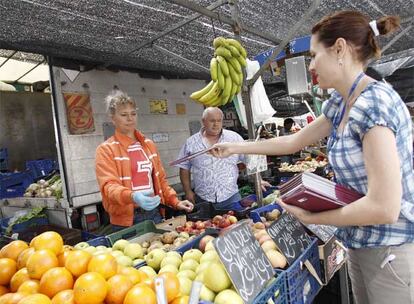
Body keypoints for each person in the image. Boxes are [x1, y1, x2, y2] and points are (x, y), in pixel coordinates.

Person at [211, 11, 414, 304]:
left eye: (315, 55)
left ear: (340, 49)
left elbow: (385, 208)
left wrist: (314, 217)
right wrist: (236, 148)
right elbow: (295, 141)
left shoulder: (374, 105)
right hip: (359, 243)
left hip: (390, 250)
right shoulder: (341, 102)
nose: (312, 64)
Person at [95, 90, 193, 230]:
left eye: (133, 114)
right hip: (126, 221)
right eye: (124, 115)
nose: (130, 119)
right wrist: (133, 196)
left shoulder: (148, 145)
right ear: (112, 118)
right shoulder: (106, 150)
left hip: (154, 214)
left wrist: (175, 202)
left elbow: (161, 182)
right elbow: (109, 187)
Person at [176, 107, 270, 210]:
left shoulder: (234, 138)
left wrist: (259, 180)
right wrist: (188, 191)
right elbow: (184, 168)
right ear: (203, 121)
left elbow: (249, 160)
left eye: (219, 120)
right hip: (203, 200)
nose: (216, 124)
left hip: (231, 197)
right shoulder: (191, 143)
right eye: (212, 121)